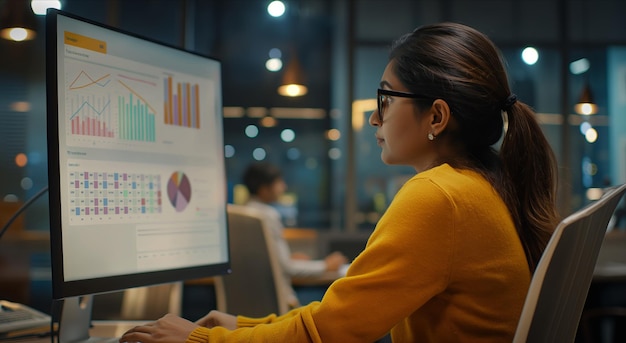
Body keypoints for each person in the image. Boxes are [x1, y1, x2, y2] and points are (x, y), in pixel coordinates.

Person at [120, 22, 559, 342]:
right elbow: (341, 318)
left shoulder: (439, 196)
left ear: (437, 117)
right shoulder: (482, 185)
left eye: (385, 99)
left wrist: (200, 341)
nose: (373, 116)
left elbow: (331, 334)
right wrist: (242, 327)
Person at [241, 162, 348, 308]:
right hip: (280, 303)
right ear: (264, 188)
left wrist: (287, 258)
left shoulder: (242, 212)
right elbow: (287, 268)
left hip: (251, 302)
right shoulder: (267, 215)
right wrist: (325, 266)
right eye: (279, 182)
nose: (284, 187)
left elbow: (263, 261)